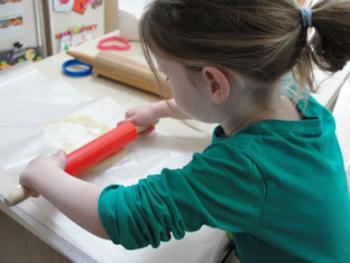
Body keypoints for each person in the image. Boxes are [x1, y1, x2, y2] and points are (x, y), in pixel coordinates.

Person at [19, 0, 350, 262]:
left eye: (167, 76)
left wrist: (44, 174)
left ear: (213, 82)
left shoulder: (244, 169)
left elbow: (124, 216)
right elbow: (221, 102)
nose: (167, 85)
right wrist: (159, 110)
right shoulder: (294, 96)